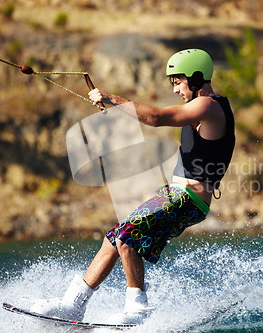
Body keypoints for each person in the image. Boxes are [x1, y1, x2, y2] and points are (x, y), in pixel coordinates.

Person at [30, 49, 235, 324]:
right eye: (172, 83)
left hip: (189, 199)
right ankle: (73, 305)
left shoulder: (209, 106)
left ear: (196, 78)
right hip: (175, 195)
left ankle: (138, 310)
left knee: (128, 236)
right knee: (114, 238)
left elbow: (157, 118)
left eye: (178, 82)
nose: (174, 89)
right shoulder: (199, 108)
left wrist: (112, 98)